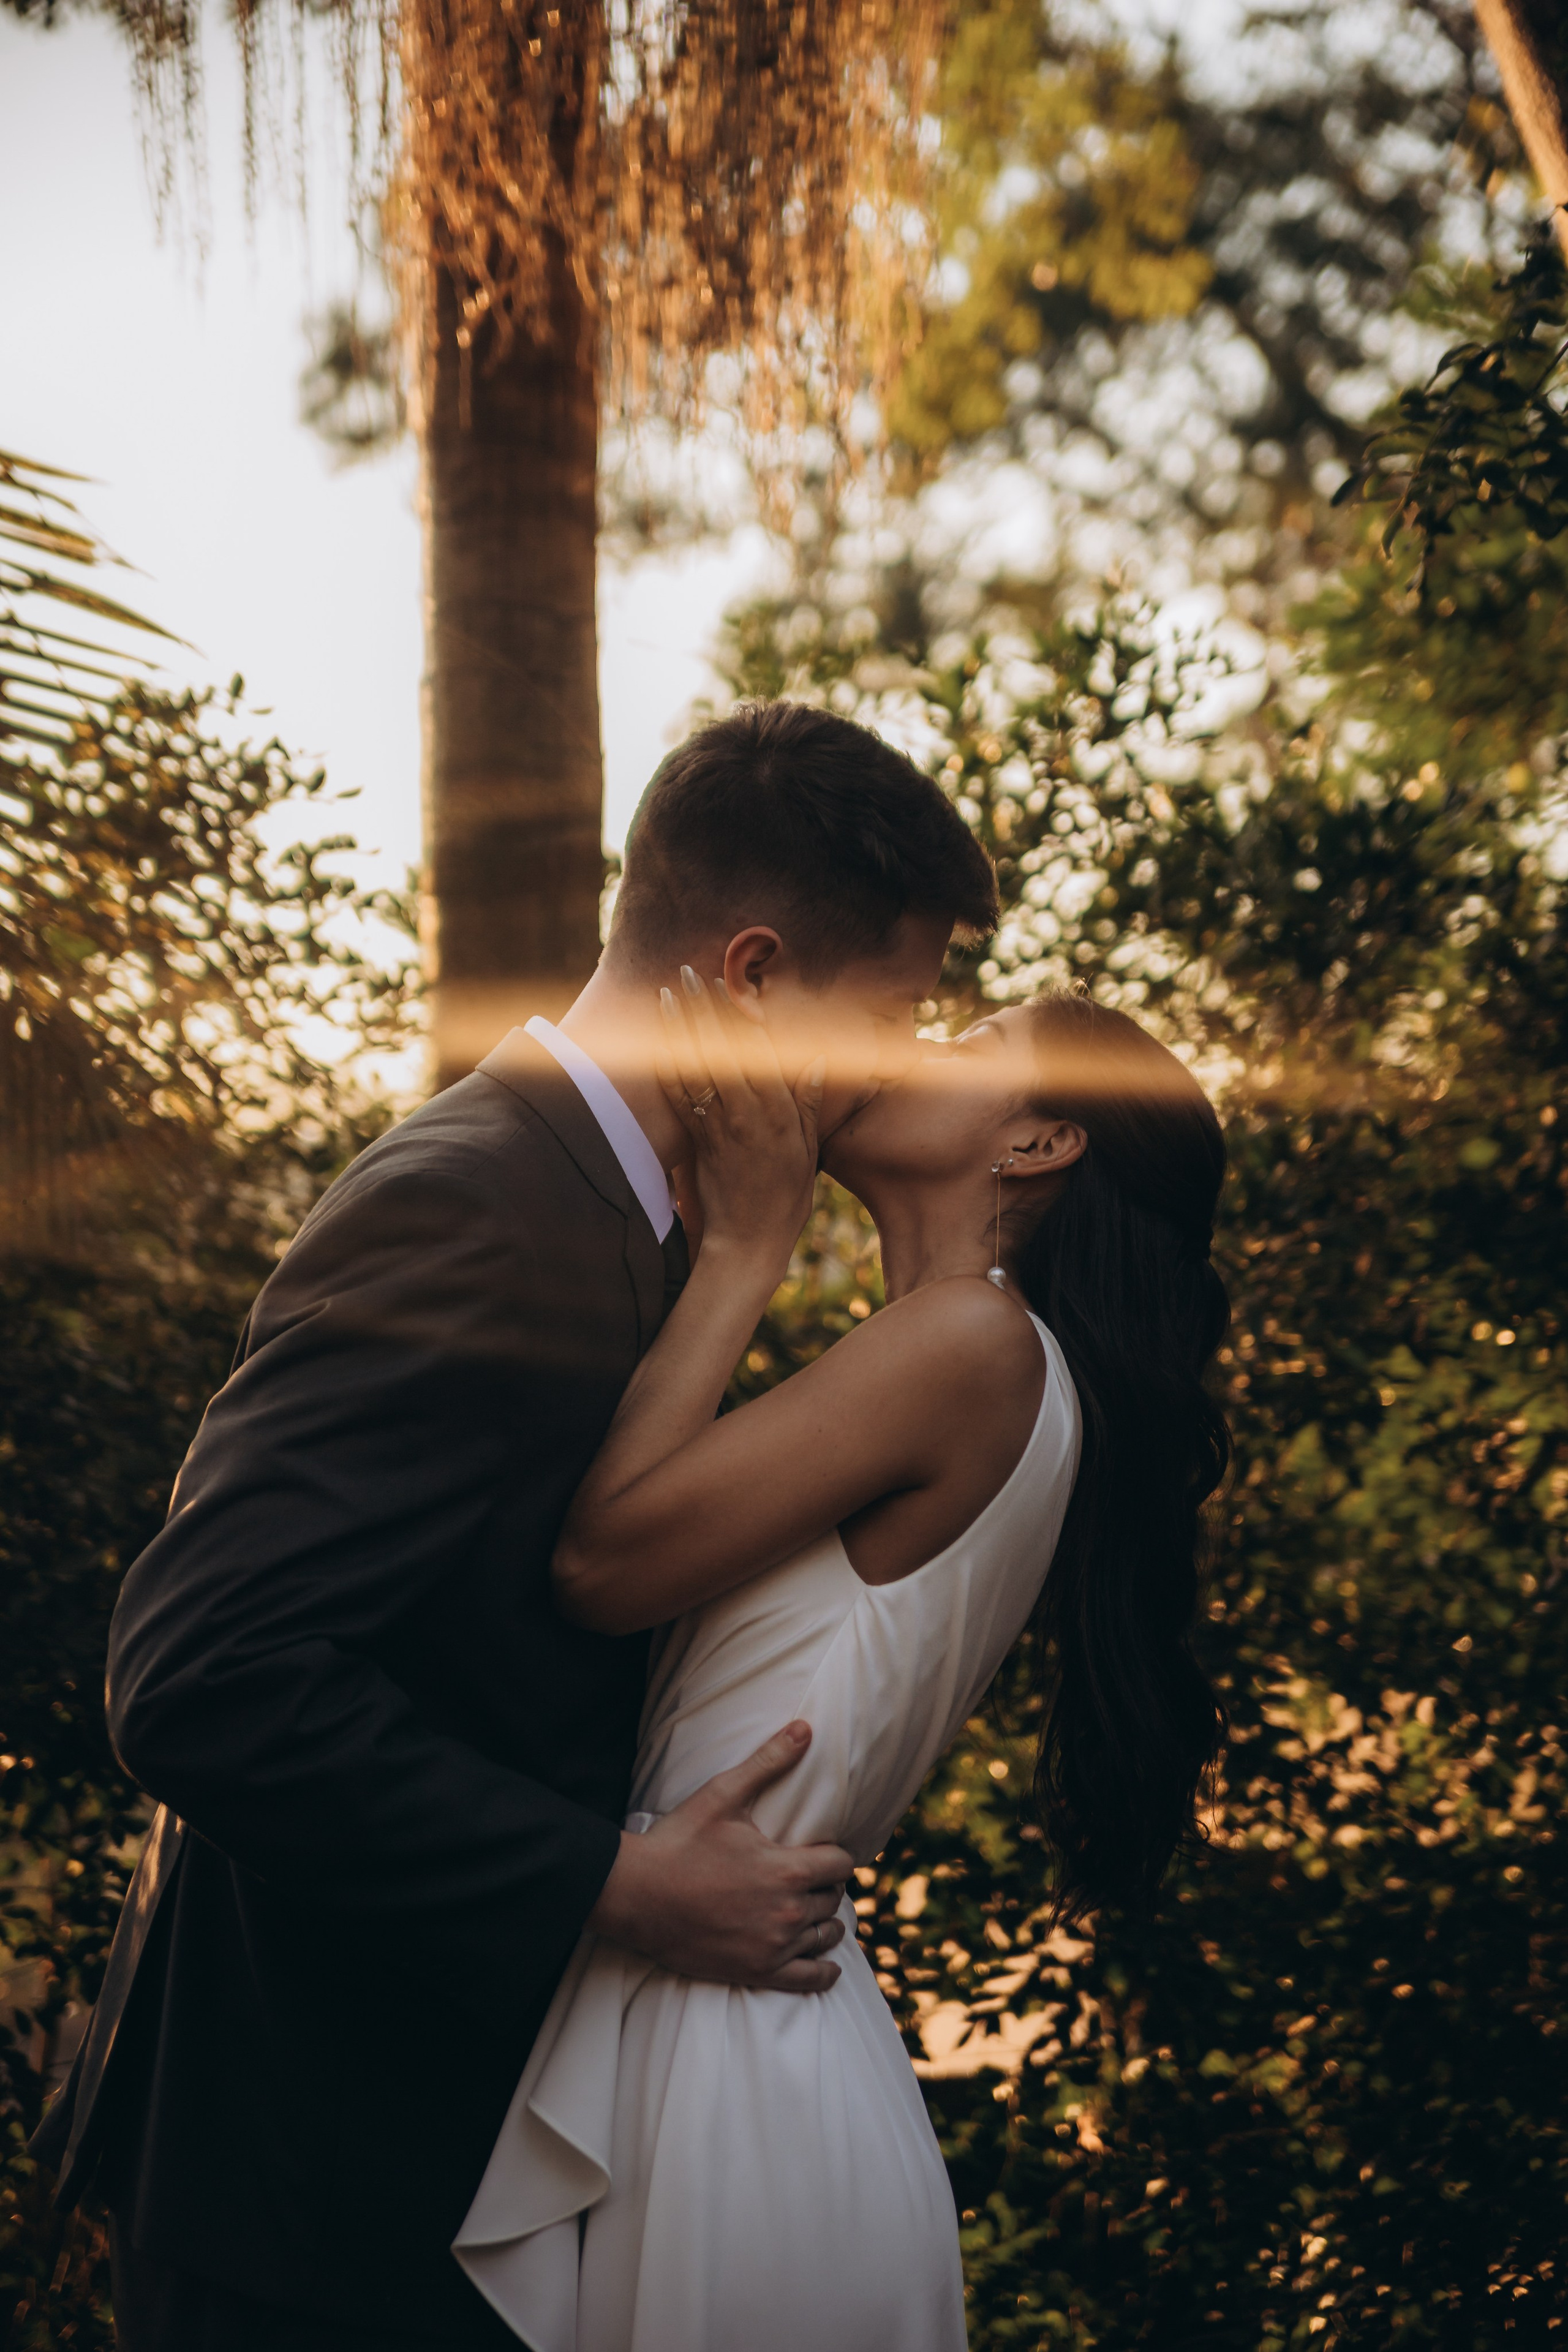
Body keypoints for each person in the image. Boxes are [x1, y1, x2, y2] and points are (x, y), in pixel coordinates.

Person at [29, 701, 999, 2352]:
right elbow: (201, 1674)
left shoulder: (630, 1215)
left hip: (423, 2154)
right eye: (895, 1014)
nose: (902, 1067)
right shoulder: (478, 1203)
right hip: (311, 2190)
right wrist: (609, 1888)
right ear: (754, 978)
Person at [453, 976, 1232, 2351]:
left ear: (1039, 1142)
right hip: (735, 2018)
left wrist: (750, 1245)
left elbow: (601, 1565)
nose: (906, 1049)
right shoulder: (976, 1362)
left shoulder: (973, 1345)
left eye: (967, 1043)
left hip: (735, 2062)